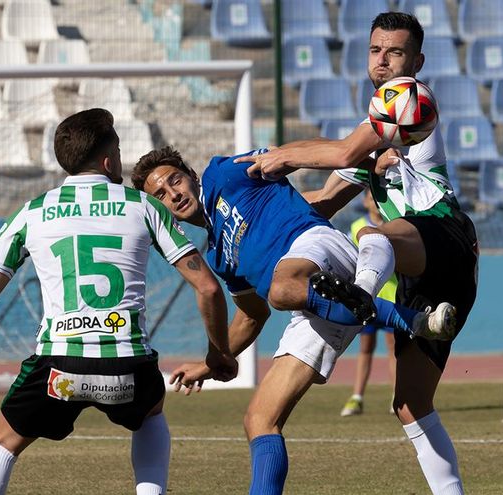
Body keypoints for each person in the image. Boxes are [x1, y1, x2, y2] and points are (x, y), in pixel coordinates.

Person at [0, 109, 237, 495]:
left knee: (3, 443)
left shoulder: (31, 212)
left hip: (59, 368)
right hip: (127, 364)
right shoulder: (144, 206)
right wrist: (218, 353)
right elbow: (207, 288)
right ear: (109, 160)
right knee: (151, 415)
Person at [235, 12, 478, 495]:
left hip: (443, 237)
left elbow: (345, 153)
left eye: (395, 52)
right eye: (375, 50)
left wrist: (282, 155)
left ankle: (362, 299)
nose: (383, 61)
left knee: (374, 233)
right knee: (410, 405)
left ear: (417, 61)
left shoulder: (410, 99)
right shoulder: (373, 134)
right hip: (426, 281)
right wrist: (255, 216)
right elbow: (323, 201)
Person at [130, 146, 453, 495]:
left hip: (318, 245)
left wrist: (360, 157)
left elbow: (291, 155)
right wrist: (211, 362)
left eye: (175, 181)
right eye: (160, 194)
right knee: (259, 419)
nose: (173, 194)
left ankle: (409, 319)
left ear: (192, 177)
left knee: (281, 288)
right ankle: (417, 321)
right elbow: (253, 316)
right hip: (317, 300)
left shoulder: (222, 172)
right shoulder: (219, 256)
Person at [340, 191, 397, 417]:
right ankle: (357, 397)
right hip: (365, 296)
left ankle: (397, 396)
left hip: (392, 296)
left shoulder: (395, 226)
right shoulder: (356, 227)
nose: (375, 201)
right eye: (371, 197)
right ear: (365, 201)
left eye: (379, 196)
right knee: (365, 347)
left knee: (394, 347)